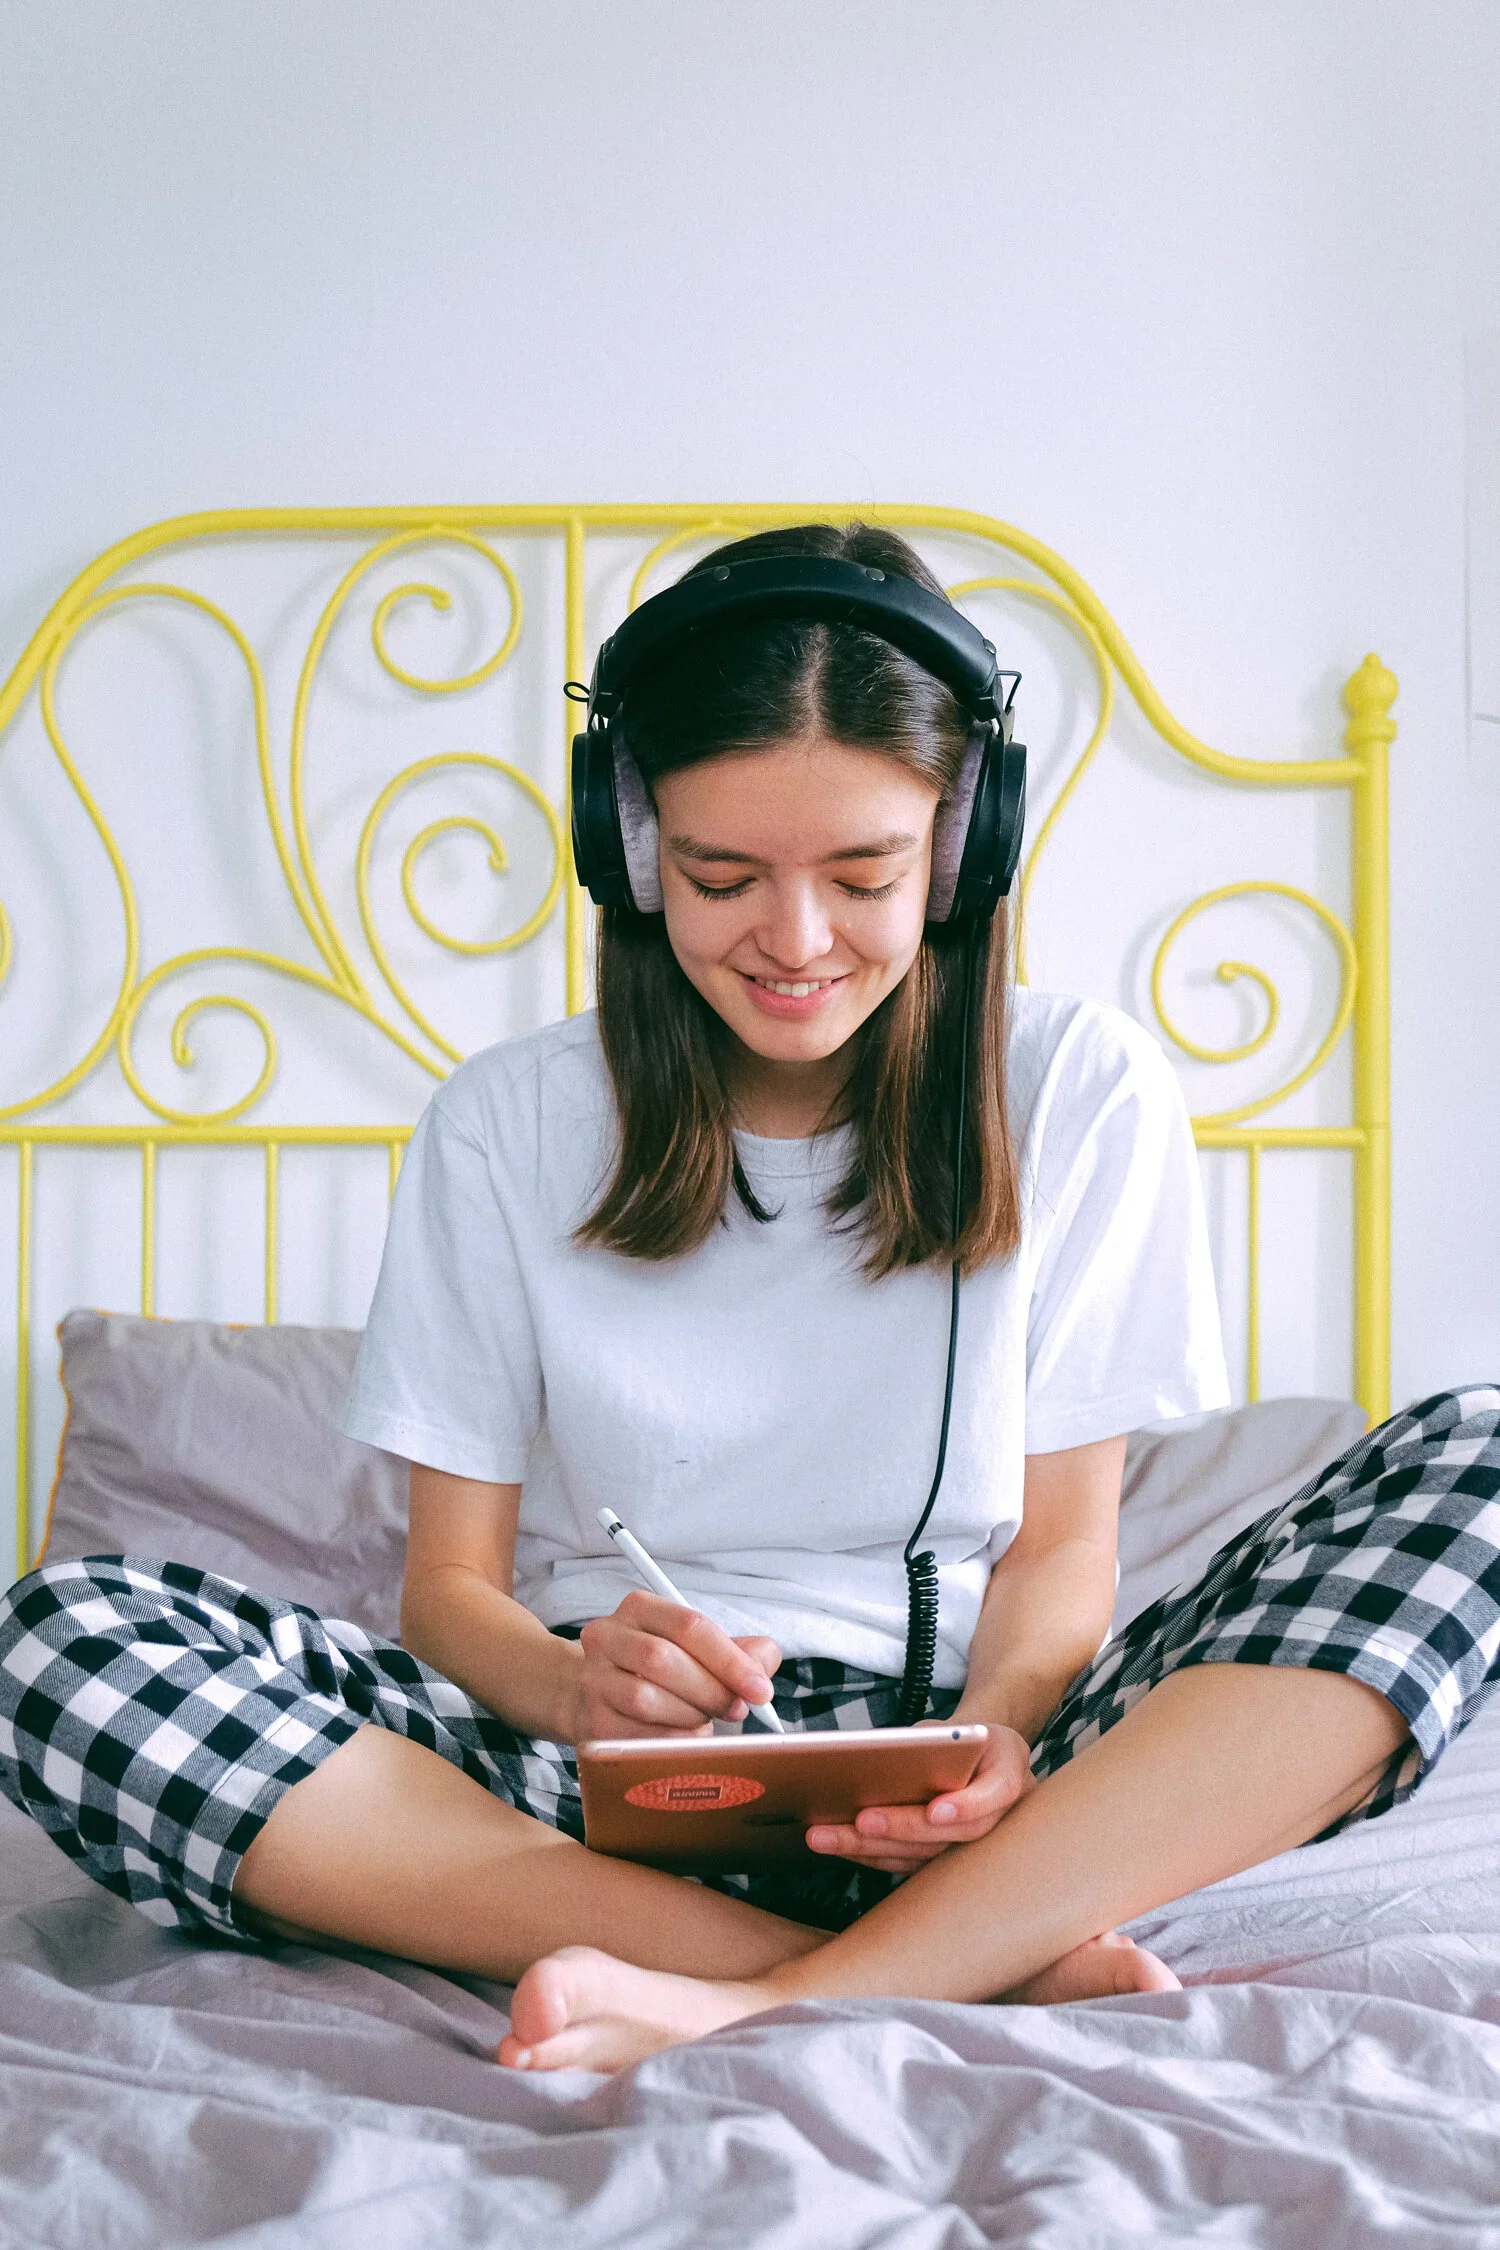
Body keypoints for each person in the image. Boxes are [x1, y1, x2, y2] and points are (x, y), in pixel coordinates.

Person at [2, 524, 1497, 2080]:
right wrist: (576, 1686)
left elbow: (1065, 1550)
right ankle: (933, 1966)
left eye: (865, 878)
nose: (793, 944)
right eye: (724, 877)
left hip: (995, 1767)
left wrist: (1001, 1738)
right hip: (600, 1782)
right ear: (635, 848)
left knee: (1487, 1452)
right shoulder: (506, 1124)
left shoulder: (1080, 1091)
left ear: (964, 845)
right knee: (64, 1639)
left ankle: (783, 1987)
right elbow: (448, 1590)